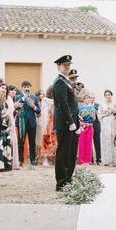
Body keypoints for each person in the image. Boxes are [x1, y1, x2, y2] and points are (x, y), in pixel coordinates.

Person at [53, 55, 80, 191]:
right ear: (58, 66)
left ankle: (68, 178)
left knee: (71, 152)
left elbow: (72, 103)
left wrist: (76, 120)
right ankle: (61, 182)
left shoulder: (67, 81)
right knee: (63, 152)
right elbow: (62, 104)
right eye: (65, 65)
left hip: (72, 122)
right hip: (65, 123)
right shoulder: (59, 82)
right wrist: (70, 121)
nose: (67, 67)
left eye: (68, 65)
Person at [17, 80, 41, 166]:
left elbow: (39, 111)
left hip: (32, 122)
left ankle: (33, 159)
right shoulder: (18, 97)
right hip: (21, 122)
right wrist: (24, 97)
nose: (27, 88)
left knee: (32, 142)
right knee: (21, 142)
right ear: (22, 88)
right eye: (25, 87)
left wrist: (34, 106)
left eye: (28, 87)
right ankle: (20, 160)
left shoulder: (34, 97)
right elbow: (17, 106)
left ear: (30, 87)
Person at [99, 90, 116, 166]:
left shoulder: (115, 104)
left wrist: (115, 112)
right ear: (105, 96)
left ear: (111, 95)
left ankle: (115, 160)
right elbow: (99, 115)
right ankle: (107, 161)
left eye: (109, 94)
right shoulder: (102, 104)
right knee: (106, 141)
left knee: (113, 140)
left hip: (113, 123)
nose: (108, 96)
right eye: (106, 95)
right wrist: (107, 113)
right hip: (105, 124)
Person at [38, 85, 57, 166]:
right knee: (47, 140)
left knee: (55, 141)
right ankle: (45, 158)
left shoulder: (58, 100)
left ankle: (54, 159)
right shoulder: (45, 100)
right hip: (48, 123)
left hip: (56, 123)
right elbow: (44, 112)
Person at [77, 92, 96, 164]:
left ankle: (88, 160)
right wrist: (82, 115)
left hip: (90, 126)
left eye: (88, 98)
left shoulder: (92, 108)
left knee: (89, 144)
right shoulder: (80, 108)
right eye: (85, 98)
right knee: (81, 144)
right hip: (82, 127)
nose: (86, 99)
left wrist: (92, 115)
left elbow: (94, 119)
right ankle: (81, 160)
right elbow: (78, 118)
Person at [6, 85, 22, 170]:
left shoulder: (12, 99)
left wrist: (16, 110)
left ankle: (14, 163)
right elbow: (8, 112)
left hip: (13, 122)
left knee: (14, 142)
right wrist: (14, 107)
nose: (14, 92)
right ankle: (12, 163)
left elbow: (12, 113)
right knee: (12, 142)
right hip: (9, 123)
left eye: (15, 90)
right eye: (12, 90)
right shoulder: (8, 99)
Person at [90, 93, 102, 165]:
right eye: (91, 98)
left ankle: (98, 159)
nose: (92, 99)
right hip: (88, 126)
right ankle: (90, 159)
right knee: (89, 143)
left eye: (93, 98)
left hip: (96, 125)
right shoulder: (86, 106)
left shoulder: (98, 105)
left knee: (97, 143)